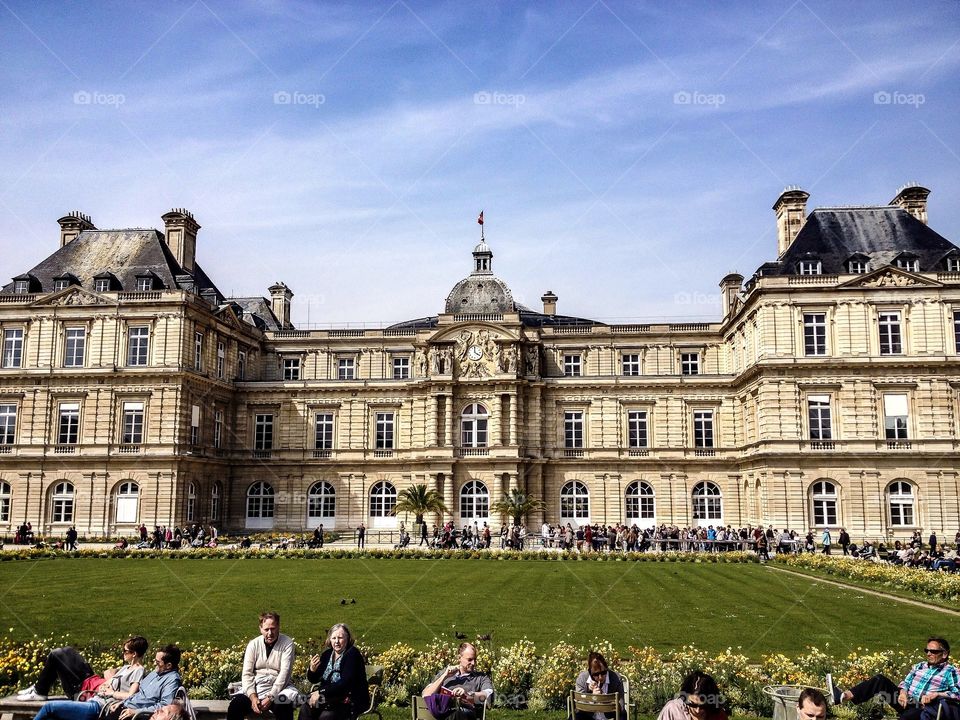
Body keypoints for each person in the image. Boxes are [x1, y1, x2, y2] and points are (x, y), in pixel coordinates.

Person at [828, 636, 959, 720]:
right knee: (880, 680)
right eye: (927, 651)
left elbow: (957, 693)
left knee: (907, 717)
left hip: (926, 708)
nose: (929, 654)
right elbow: (906, 682)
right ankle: (842, 696)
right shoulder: (920, 666)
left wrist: (936, 695)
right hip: (907, 700)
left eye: (933, 651)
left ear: (944, 654)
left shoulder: (951, 671)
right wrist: (902, 692)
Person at [29, 637, 148, 720]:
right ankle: (37, 689)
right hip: (94, 696)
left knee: (49, 707)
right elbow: (107, 679)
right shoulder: (126, 668)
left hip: (98, 706)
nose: (123, 653)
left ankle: (38, 691)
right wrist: (107, 685)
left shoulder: (138, 671)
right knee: (67, 651)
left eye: (125, 651)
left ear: (134, 654)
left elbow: (131, 696)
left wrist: (112, 692)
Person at [228, 612, 298, 720]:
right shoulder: (253, 644)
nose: (270, 633)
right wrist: (253, 697)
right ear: (260, 628)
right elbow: (247, 674)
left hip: (278, 688)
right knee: (236, 704)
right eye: (266, 629)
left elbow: (285, 673)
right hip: (257, 687)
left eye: (273, 628)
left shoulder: (287, 643)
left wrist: (271, 697)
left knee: (283, 704)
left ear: (278, 627)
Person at [299, 623, 368, 720]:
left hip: (350, 699)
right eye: (334, 638)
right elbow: (314, 679)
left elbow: (345, 683)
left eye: (340, 638)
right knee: (306, 708)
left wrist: (320, 692)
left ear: (347, 639)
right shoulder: (327, 654)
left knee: (326, 716)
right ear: (329, 639)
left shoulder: (352, 654)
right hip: (329, 698)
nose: (337, 642)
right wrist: (312, 670)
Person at [100, 645, 182, 720]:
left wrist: (136, 711)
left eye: (157, 662)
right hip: (125, 707)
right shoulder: (155, 673)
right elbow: (139, 694)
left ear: (168, 665)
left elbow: (164, 706)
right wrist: (122, 703)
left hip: (137, 715)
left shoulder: (172, 680)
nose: (154, 664)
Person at [422, 642, 494, 719]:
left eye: (475, 659)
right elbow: (425, 695)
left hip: (463, 714)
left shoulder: (480, 677)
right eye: (469, 660)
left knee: (457, 714)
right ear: (459, 658)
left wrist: (467, 695)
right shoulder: (445, 673)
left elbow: (488, 694)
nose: (473, 663)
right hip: (444, 713)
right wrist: (444, 676)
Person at [572, 651, 626, 720]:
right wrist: (591, 697)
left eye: (603, 673)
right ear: (590, 672)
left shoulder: (616, 678)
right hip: (588, 716)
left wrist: (604, 698)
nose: (600, 677)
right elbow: (579, 707)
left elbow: (621, 707)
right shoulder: (582, 678)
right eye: (596, 674)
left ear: (606, 668)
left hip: (611, 716)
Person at [657, 670, 728, 720]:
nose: (697, 710)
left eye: (703, 706)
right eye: (693, 705)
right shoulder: (672, 710)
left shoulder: (718, 714)